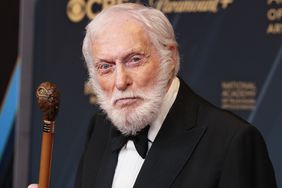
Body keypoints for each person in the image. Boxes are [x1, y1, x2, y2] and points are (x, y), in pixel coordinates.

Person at [29, 3, 277, 188]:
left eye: (134, 60)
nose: (120, 81)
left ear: (170, 59)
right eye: (105, 66)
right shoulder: (99, 130)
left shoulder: (233, 142)